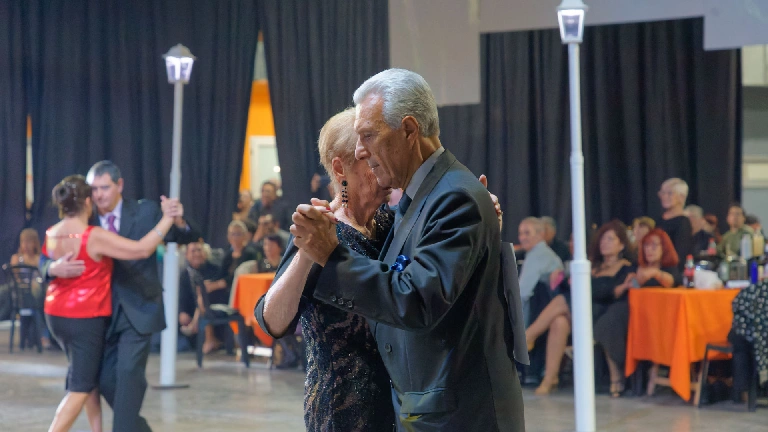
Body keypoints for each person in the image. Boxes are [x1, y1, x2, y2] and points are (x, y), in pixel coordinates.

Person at [288, 69, 524, 431]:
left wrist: (331, 255)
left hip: (457, 417)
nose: (361, 150)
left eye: (368, 135)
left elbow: (416, 299)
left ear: (410, 130)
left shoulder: (453, 197)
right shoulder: (425, 197)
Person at [46, 161, 199, 432]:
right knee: (105, 382)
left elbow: (183, 236)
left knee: (127, 375)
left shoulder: (145, 210)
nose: (99, 195)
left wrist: (177, 220)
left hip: (138, 309)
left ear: (120, 185)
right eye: (94, 189)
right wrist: (49, 268)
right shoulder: (85, 218)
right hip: (99, 316)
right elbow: (51, 249)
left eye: (105, 188)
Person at [526, 220, 635, 396]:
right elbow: (574, 288)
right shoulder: (592, 265)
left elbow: (612, 294)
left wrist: (609, 290)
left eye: (610, 239)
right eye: (602, 239)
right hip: (579, 311)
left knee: (562, 301)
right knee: (559, 321)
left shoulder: (626, 269)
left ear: (621, 244)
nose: (604, 243)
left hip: (601, 315)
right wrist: (562, 277)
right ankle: (550, 378)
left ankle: (528, 337)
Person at [595, 228, 680, 397]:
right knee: (608, 322)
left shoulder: (670, 269)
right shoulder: (635, 267)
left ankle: (619, 377)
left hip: (657, 319)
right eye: (646, 245)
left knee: (610, 321)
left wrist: (654, 272)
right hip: (631, 311)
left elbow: (672, 282)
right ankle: (615, 376)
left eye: (654, 245)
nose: (650, 249)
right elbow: (628, 286)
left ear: (664, 248)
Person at [518, 217, 564, 325]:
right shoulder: (544, 253)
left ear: (540, 234)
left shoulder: (538, 255)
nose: (522, 238)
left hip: (540, 316)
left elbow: (522, 294)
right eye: (520, 233)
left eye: (527, 233)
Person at [656, 178, 694, 268]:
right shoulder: (660, 220)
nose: (664, 196)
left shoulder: (683, 222)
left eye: (670, 193)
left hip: (672, 270)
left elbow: (680, 254)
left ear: (682, 197)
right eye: (662, 193)